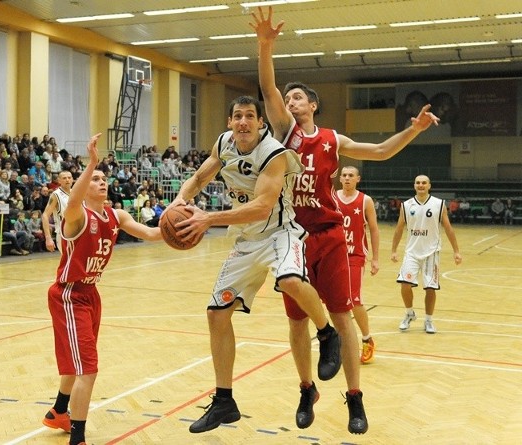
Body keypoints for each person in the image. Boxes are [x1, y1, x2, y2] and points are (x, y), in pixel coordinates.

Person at [251, 6, 440, 434]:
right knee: (297, 321)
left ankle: (355, 399)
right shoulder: (283, 131)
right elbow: (267, 90)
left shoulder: (332, 140)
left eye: (299, 97)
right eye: (289, 97)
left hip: (329, 234)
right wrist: (265, 46)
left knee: (343, 317)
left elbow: (380, 151)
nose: (291, 102)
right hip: (291, 239)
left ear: (313, 105)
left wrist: (413, 130)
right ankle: (306, 389)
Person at [167, 96, 338, 434]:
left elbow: (262, 206)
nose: (242, 122)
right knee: (217, 313)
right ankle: (224, 400)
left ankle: (327, 333)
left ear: (261, 123)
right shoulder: (223, 143)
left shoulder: (273, 153)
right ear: (230, 122)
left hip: (280, 232)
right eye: (237, 116)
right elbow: (200, 179)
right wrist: (180, 200)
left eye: (249, 116)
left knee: (289, 281)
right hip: (248, 240)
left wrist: (208, 218)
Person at [41, 134, 162, 445]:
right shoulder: (75, 215)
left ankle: (58, 412)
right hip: (69, 295)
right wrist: (92, 162)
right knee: (88, 369)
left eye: (104, 178)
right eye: (95, 178)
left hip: (91, 294)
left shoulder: (116, 215)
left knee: (77, 361)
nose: (101, 182)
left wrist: (187, 228)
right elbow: (76, 198)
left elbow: (150, 233)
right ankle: (77, 438)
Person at [391, 175, 462, 334]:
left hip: (431, 252)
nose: (421, 185)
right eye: (418, 183)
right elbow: (399, 228)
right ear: (414, 185)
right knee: (405, 284)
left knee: (430, 288)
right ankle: (409, 313)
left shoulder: (439, 204)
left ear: (429, 185)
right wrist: (394, 250)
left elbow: (448, 228)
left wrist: (456, 251)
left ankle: (428, 320)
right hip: (411, 252)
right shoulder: (406, 205)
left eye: (424, 183)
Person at [334, 167, 380, 364]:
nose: (346, 178)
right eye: (344, 175)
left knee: (354, 300)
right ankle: (338, 344)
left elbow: (374, 230)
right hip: (334, 254)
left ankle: (367, 338)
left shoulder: (365, 201)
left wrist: (375, 258)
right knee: (335, 302)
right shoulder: (332, 197)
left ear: (357, 179)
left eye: (350, 176)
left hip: (355, 255)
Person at [42, 170, 73, 252]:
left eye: (69, 178)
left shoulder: (75, 193)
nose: (67, 180)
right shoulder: (56, 195)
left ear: (72, 179)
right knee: (70, 263)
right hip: (64, 234)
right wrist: (48, 238)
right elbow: (45, 216)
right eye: (64, 178)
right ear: (59, 181)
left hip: (78, 232)